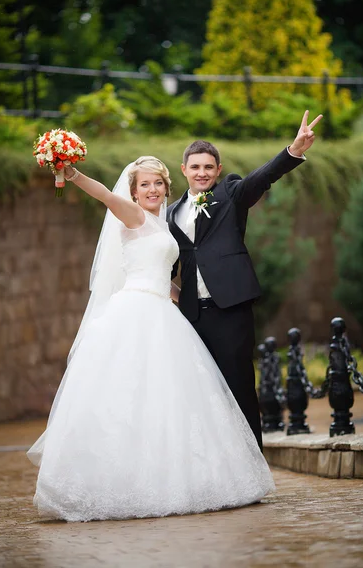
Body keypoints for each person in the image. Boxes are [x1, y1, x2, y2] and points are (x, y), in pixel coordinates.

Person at [27, 155, 275, 523]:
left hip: (164, 310)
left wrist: (183, 298)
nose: (152, 190)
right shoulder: (132, 214)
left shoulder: (164, 223)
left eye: (158, 184)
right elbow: (104, 197)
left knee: (169, 399)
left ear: (166, 187)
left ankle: (172, 477)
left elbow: (167, 279)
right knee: (130, 395)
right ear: (133, 190)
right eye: (144, 184)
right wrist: (73, 173)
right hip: (136, 312)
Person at [167, 110, 323, 451]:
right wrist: (174, 296)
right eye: (195, 167)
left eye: (209, 166)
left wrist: (293, 150)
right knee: (202, 393)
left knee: (239, 388)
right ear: (184, 171)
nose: (202, 172)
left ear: (218, 170)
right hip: (192, 317)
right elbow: (166, 265)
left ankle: (253, 464)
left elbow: (261, 179)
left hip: (231, 309)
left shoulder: (231, 194)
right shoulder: (170, 214)